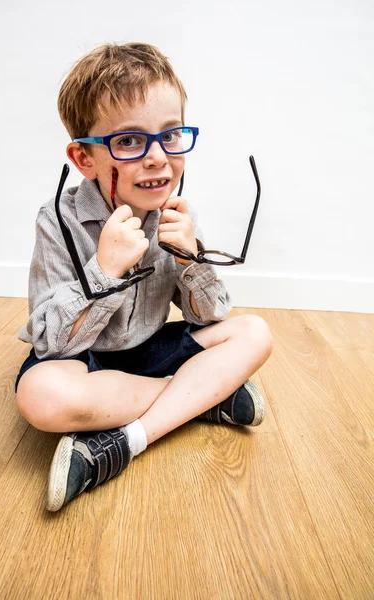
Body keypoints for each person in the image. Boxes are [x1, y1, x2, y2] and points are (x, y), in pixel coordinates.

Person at [15, 42, 273, 512]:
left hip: (151, 353)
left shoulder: (173, 214)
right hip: (86, 363)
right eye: (129, 141)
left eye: (171, 136)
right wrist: (104, 271)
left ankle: (126, 441)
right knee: (39, 395)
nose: (157, 157)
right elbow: (51, 344)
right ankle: (205, 399)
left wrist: (192, 260)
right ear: (84, 158)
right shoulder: (57, 220)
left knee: (254, 332)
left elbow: (208, 317)